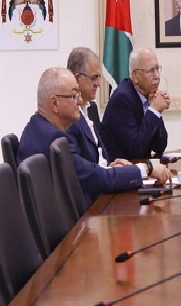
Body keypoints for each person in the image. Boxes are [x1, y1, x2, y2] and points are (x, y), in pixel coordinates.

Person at [16, 68, 170, 206]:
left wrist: (110, 169)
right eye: (74, 95)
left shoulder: (38, 127)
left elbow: (87, 172)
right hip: (76, 225)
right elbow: (92, 177)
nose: (80, 101)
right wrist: (146, 168)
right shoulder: (53, 139)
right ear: (54, 103)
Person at [100, 47, 170, 160]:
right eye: (151, 70)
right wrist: (154, 110)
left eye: (157, 69)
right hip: (121, 168)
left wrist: (157, 111)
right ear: (135, 75)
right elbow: (136, 149)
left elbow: (160, 146)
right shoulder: (122, 99)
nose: (157, 76)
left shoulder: (146, 95)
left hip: (139, 166)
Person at [66, 47, 112, 166]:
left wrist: (112, 166)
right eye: (94, 78)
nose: (98, 84)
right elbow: (84, 168)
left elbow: (100, 158)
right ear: (76, 78)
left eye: (99, 78)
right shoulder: (69, 118)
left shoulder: (91, 109)